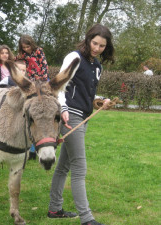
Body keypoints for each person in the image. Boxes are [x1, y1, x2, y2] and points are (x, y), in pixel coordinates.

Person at [48, 24, 115, 225]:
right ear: (88, 39)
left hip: (83, 117)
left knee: (63, 166)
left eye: (102, 46)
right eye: (94, 43)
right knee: (79, 167)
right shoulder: (74, 57)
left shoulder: (97, 66)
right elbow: (59, 85)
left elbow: (87, 92)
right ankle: (87, 219)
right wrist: (63, 109)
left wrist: (101, 99)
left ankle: (54, 209)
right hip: (70, 116)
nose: (97, 48)